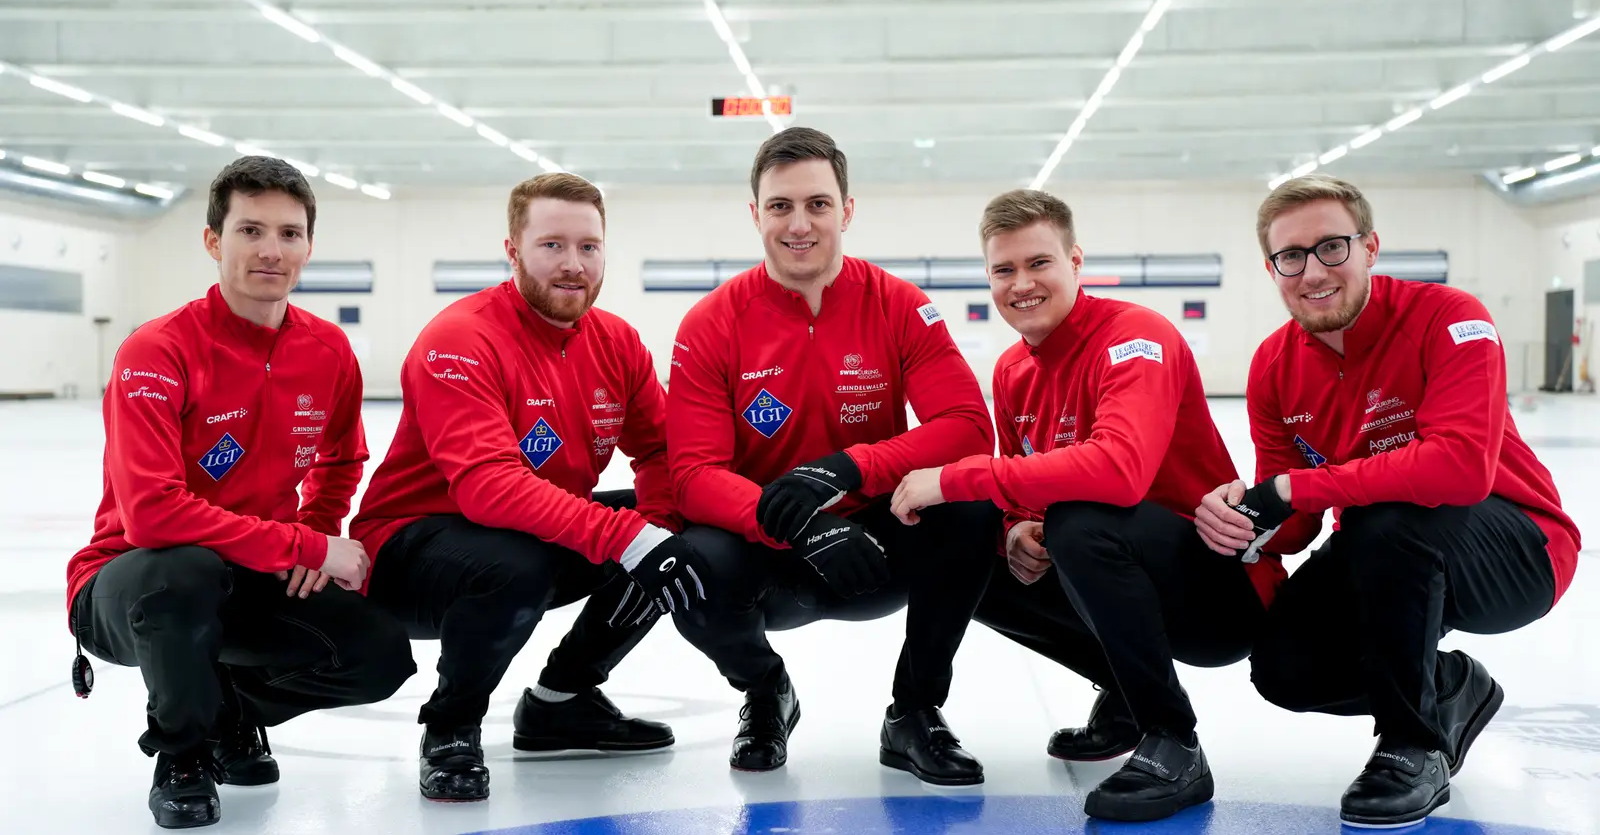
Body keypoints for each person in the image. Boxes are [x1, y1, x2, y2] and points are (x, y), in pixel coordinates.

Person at [889, 188, 1286, 822]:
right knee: (967, 545)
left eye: (1039, 263)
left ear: (1076, 262)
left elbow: (1120, 473)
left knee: (1080, 519)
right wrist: (1017, 530)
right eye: (1004, 270)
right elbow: (1029, 481)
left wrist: (959, 474)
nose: (1022, 283)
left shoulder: (1135, 337)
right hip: (1119, 572)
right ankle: (1125, 700)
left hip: (1219, 588)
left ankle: (1172, 740)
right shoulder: (1012, 371)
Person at [1199, 173, 1581, 828]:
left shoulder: (1450, 317)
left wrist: (1295, 489)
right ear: (1272, 268)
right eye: (1291, 256)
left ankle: (1413, 745)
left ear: (1370, 247)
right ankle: (1452, 688)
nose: (1312, 271)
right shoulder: (1272, 366)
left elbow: (1459, 470)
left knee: (1392, 513)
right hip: (1389, 555)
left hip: (1519, 547)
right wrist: (1245, 519)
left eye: (1331, 248)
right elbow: (1297, 527)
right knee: (1285, 669)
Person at [64, 157, 416, 829]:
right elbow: (152, 514)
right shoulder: (157, 349)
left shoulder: (328, 350)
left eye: (289, 234)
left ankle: (226, 712)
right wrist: (306, 542)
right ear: (213, 241)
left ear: (308, 247)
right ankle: (184, 752)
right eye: (250, 230)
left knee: (376, 656)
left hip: (253, 571)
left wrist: (316, 538)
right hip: (129, 580)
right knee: (184, 570)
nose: (270, 250)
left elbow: (342, 460)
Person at [349, 172, 708, 803]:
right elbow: (487, 487)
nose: (573, 265)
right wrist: (627, 536)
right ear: (513, 249)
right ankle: (452, 725)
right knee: (525, 559)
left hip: (535, 534)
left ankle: (561, 700)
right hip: (412, 551)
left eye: (589, 247)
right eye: (552, 246)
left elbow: (659, 449)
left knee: (684, 529)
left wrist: (658, 523)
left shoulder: (616, 341)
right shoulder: (461, 338)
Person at [665, 127, 1000, 785]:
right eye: (781, 206)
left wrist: (850, 469)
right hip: (767, 544)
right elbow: (692, 477)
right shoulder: (711, 323)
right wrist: (797, 520)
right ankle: (765, 694)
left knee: (971, 507)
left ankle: (914, 713)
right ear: (755, 213)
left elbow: (965, 426)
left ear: (846, 211)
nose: (800, 224)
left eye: (818, 204)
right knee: (683, 560)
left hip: (873, 544)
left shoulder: (900, 305)